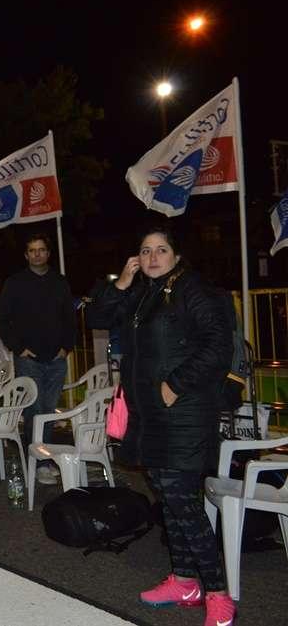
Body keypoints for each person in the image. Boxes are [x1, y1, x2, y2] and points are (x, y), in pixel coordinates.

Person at [87, 226, 235, 626]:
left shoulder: (194, 290)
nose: (152, 257)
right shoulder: (141, 293)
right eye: (145, 250)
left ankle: (219, 594)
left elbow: (219, 346)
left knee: (183, 502)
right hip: (149, 413)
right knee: (168, 499)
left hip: (183, 412)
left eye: (161, 250)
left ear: (177, 255)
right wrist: (122, 282)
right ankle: (184, 581)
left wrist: (175, 384)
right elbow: (97, 316)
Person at [0, 233, 75, 485]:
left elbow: (70, 318)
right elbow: (2, 320)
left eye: (41, 249)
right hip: (28, 359)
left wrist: (66, 348)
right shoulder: (15, 282)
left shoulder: (60, 282)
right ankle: (39, 463)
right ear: (26, 255)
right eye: (32, 250)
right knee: (34, 411)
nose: (37, 254)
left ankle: (42, 457)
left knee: (48, 412)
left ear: (48, 253)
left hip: (56, 359)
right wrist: (19, 349)